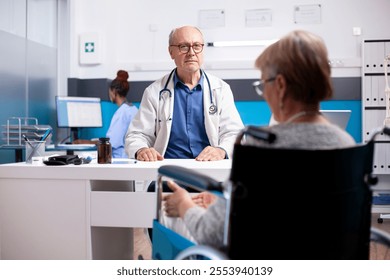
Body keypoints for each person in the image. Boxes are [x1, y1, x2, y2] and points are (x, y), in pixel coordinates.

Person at [162, 30, 356, 248]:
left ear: (280, 85)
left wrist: (184, 204)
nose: (264, 93)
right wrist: (226, 201)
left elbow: (212, 233)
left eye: (264, 84)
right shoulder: (346, 144)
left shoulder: (261, 150)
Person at [124, 25, 244, 162]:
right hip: (168, 171)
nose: (191, 52)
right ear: (171, 52)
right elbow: (136, 135)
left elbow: (235, 133)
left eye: (197, 46)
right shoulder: (154, 92)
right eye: (184, 46)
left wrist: (221, 150)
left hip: (209, 170)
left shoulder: (221, 89)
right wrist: (141, 149)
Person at [74, 70, 138, 158]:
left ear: (113, 91)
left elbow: (110, 143)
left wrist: (86, 142)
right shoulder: (133, 109)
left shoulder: (122, 113)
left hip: (119, 159)